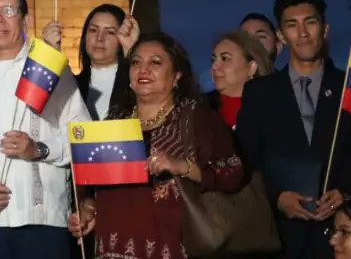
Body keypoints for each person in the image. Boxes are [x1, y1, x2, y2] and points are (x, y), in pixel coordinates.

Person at [68, 33, 245, 259]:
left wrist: (183, 167)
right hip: (111, 248)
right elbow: (93, 187)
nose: (143, 69)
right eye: (136, 62)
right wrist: (88, 210)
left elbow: (233, 171)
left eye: (155, 62)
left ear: (176, 76)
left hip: (173, 246)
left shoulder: (195, 118)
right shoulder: (115, 120)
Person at [0, 0, 89, 255]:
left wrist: (38, 149)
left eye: (8, 10)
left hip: (43, 218)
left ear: (25, 19)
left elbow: (82, 135)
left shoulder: (52, 71)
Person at [236, 0, 351, 259]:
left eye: (310, 22)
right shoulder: (259, 93)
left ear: (324, 29)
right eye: (292, 25)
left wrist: (347, 193)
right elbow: (245, 161)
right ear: (281, 35)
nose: (302, 33)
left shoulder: (350, 87)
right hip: (280, 238)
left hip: (339, 238)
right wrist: (277, 197)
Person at [72, 3, 140, 121]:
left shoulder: (135, 83)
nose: (99, 38)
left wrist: (132, 50)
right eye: (93, 30)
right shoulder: (71, 85)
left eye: (110, 32)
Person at [204, 30, 273, 129]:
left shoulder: (273, 110)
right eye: (213, 60)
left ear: (251, 68)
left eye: (225, 59)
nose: (214, 66)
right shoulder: (198, 108)